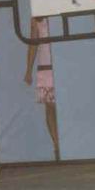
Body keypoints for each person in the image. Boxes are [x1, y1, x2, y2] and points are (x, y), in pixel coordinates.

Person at [24, 17, 60, 160]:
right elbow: (33, 44)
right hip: (45, 66)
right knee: (50, 106)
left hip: (63, 63)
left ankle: (67, 144)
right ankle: (57, 145)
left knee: (60, 106)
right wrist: (28, 69)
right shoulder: (36, 19)